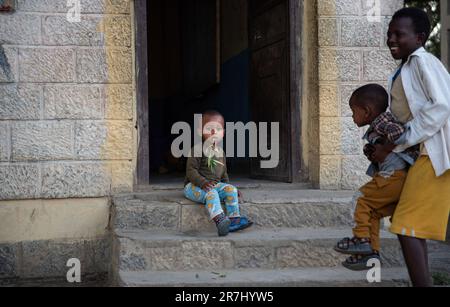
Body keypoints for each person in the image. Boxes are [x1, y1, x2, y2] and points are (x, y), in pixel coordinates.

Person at [370, 7, 450, 287]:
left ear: (419, 38)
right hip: (422, 154)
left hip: (433, 155)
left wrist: (400, 139)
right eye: (389, 33)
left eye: (399, 34)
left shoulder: (422, 62)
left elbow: (441, 105)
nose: (391, 38)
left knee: (405, 226)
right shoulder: (406, 66)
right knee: (410, 226)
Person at [334, 84, 419, 271]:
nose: (351, 116)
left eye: (353, 111)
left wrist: (385, 149)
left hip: (393, 177)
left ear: (366, 111)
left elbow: (399, 132)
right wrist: (373, 150)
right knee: (372, 212)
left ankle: (361, 239)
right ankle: (371, 253)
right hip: (396, 179)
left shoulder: (381, 121)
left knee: (361, 200)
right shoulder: (377, 126)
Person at [184, 110, 253, 237]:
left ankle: (233, 220)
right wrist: (203, 183)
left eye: (218, 129)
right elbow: (191, 171)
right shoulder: (197, 149)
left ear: (223, 133)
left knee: (231, 189)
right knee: (212, 193)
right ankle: (219, 220)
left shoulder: (221, 152)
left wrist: (227, 188)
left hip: (213, 185)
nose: (213, 132)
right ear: (200, 131)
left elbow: (223, 174)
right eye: (209, 128)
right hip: (194, 186)